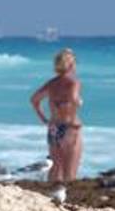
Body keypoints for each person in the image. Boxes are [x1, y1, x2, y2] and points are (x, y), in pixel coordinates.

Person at [31, 48, 83, 183]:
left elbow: (34, 99)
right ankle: (66, 196)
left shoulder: (52, 83)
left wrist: (44, 119)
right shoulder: (73, 82)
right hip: (70, 128)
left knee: (55, 170)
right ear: (71, 65)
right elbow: (73, 97)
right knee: (69, 173)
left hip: (53, 128)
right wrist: (78, 102)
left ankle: (52, 195)